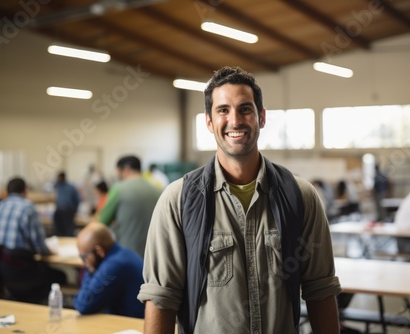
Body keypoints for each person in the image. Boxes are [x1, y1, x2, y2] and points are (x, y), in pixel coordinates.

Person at [138, 66, 341, 334]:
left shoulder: (300, 196)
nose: (235, 120)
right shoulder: (178, 200)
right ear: (209, 122)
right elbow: (161, 299)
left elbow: (320, 290)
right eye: (223, 110)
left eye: (245, 109)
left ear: (262, 117)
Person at [0, 177, 66, 303]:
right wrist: (48, 250)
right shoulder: (28, 207)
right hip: (23, 269)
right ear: (25, 190)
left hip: (2, 268)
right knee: (60, 276)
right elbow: (39, 246)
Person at [74, 222, 145, 318]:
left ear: (99, 251)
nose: (84, 263)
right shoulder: (125, 253)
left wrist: (90, 270)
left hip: (131, 326)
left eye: (84, 257)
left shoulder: (114, 265)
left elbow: (82, 305)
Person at [99, 155, 162, 258]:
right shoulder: (156, 189)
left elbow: (102, 221)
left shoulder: (118, 188)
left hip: (127, 253)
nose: (116, 174)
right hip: (153, 254)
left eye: (118, 171)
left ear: (126, 169)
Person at [54, 171, 81, 236]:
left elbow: (77, 200)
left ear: (63, 177)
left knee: (68, 230)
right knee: (58, 229)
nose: (58, 179)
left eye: (59, 178)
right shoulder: (58, 186)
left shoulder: (70, 187)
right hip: (59, 210)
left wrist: (74, 210)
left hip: (68, 211)